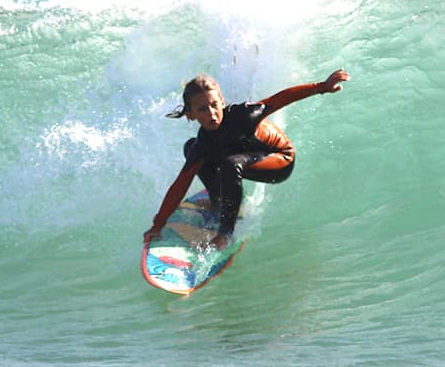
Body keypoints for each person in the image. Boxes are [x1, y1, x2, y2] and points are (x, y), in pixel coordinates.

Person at [144, 68, 351, 250]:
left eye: (215, 105)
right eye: (202, 109)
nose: (212, 114)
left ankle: (225, 233)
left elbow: (280, 99)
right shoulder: (203, 142)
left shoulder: (242, 115)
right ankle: (218, 202)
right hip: (243, 157)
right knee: (192, 148)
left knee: (230, 164)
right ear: (190, 115)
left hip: (279, 159)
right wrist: (158, 224)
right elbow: (181, 183)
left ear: (222, 102)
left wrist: (322, 86)